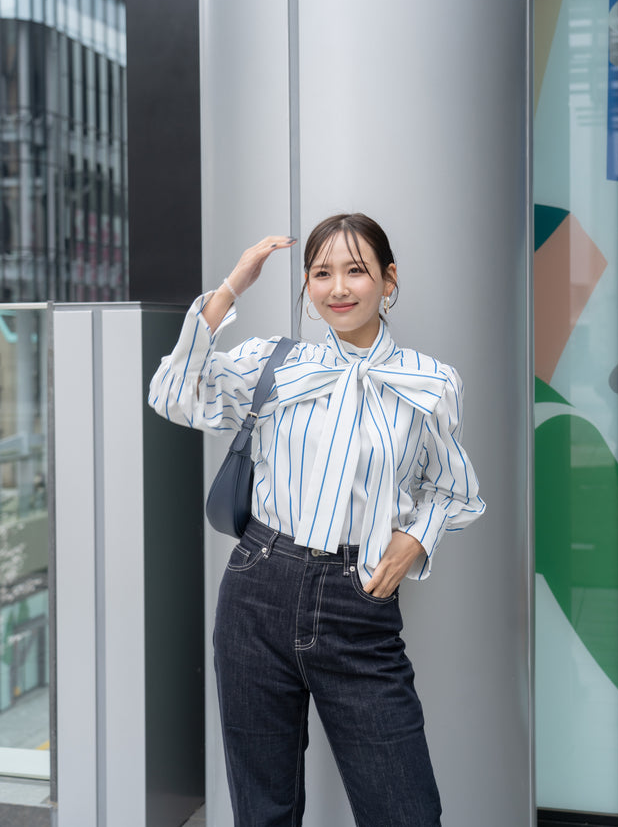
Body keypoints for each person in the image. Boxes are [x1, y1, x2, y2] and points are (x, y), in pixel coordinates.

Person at [149, 213, 486, 827]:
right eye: (321, 273)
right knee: (264, 809)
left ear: (388, 280)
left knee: (404, 813)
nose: (337, 288)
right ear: (306, 285)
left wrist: (415, 538)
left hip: (358, 603)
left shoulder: (431, 383)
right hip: (257, 586)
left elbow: (453, 489)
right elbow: (171, 393)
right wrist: (231, 289)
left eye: (356, 271)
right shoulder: (271, 364)